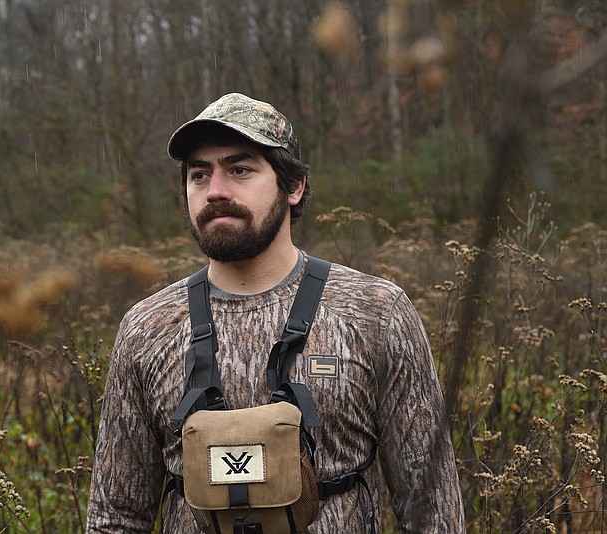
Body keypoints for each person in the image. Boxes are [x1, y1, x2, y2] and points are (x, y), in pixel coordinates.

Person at [86, 93, 464, 532]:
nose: (216, 191)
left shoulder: (377, 314)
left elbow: (433, 512)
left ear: (293, 186)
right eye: (199, 175)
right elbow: (116, 517)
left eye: (240, 169)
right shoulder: (146, 328)